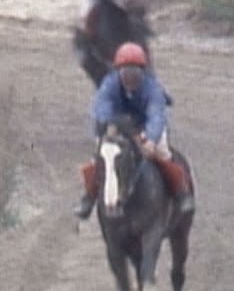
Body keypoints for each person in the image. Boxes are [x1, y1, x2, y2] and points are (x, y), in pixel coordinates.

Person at [73, 42, 195, 219]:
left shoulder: (152, 88)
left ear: (142, 72)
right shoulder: (110, 84)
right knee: (100, 157)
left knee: (163, 153)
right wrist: (108, 126)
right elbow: (101, 108)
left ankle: (181, 193)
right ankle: (89, 197)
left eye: (134, 73)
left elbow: (156, 116)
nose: (130, 78)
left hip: (146, 127)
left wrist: (151, 140)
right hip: (118, 127)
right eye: (126, 73)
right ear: (119, 72)